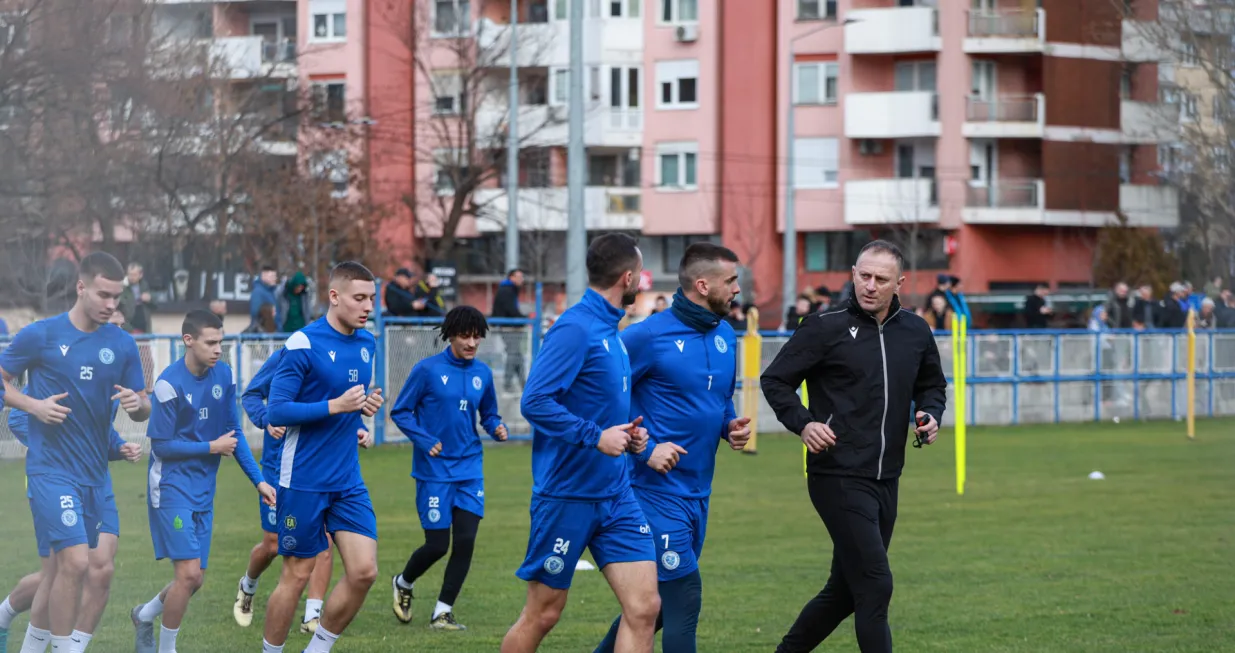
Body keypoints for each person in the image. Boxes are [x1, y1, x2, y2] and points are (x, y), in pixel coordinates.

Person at [760, 240, 948, 653]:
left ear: (898, 283)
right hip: (837, 474)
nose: (870, 285)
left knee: (845, 591)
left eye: (881, 279)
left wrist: (931, 414)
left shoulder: (915, 330)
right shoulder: (824, 327)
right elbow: (775, 381)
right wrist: (804, 423)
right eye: (863, 275)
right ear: (853, 273)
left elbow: (932, 385)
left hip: (886, 477)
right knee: (876, 584)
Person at [500, 233, 659, 653]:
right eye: (639, 276)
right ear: (626, 278)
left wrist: (626, 435)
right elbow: (534, 401)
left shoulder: (612, 331)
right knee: (544, 614)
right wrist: (594, 436)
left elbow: (599, 411)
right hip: (567, 494)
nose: (641, 284)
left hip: (616, 493)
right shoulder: (574, 328)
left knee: (645, 608)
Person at [592, 243, 753, 653]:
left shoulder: (725, 336)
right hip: (651, 493)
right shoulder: (645, 336)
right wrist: (645, 450)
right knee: (685, 596)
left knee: (656, 607)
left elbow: (718, 401)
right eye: (731, 280)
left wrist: (727, 426)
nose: (737, 288)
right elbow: (603, 399)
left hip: (699, 493)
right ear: (703, 284)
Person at [0, 251, 151, 653]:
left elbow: (143, 401)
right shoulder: (41, 334)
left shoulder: (121, 344)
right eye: (103, 295)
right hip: (51, 471)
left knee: (83, 570)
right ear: (81, 287)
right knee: (75, 562)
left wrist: (140, 406)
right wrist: (33, 406)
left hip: (95, 477)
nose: (111, 305)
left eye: (117, 298)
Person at [130, 310, 276, 653]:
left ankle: (144, 614)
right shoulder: (168, 384)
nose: (217, 350)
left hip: (203, 489)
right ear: (188, 340)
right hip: (170, 487)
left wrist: (258, 481)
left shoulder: (223, 375)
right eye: (211, 343)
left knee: (195, 579)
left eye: (221, 342)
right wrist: (211, 447)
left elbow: (234, 432)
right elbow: (161, 446)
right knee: (188, 575)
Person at [260, 261, 384, 653]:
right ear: (334, 297)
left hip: (347, 479)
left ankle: (318, 648)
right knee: (297, 576)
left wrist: (365, 406)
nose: (368, 307)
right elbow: (276, 410)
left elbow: (350, 401)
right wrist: (334, 406)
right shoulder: (303, 343)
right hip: (303, 479)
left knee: (364, 572)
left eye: (372, 299)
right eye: (359, 298)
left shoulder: (368, 343)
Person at [390, 306, 508, 630]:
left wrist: (496, 427)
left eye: (477, 336)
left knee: (466, 540)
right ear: (450, 335)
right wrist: (425, 440)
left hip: (470, 468)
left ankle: (442, 611)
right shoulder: (426, 370)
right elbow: (400, 412)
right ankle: (403, 581)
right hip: (435, 472)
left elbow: (489, 413)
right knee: (438, 545)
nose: (472, 342)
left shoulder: (483, 373)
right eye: (465, 335)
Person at [0, 389, 141, 653]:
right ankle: (4, 616)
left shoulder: (114, 361)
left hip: (96, 480)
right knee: (60, 571)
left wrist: (118, 446)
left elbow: (98, 431)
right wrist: (66, 450)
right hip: (53, 480)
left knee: (101, 570)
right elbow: (18, 419)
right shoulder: (58, 359)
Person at [232, 349, 337, 635]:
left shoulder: (336, 356)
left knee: (324, 538)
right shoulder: (289, 354)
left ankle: (312, 617)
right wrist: (266, 418)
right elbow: (251, 395)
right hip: (279, 467)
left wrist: (359, 428)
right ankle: (248, 586)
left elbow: (340, 406)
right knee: (274, 543)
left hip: (318, 467)